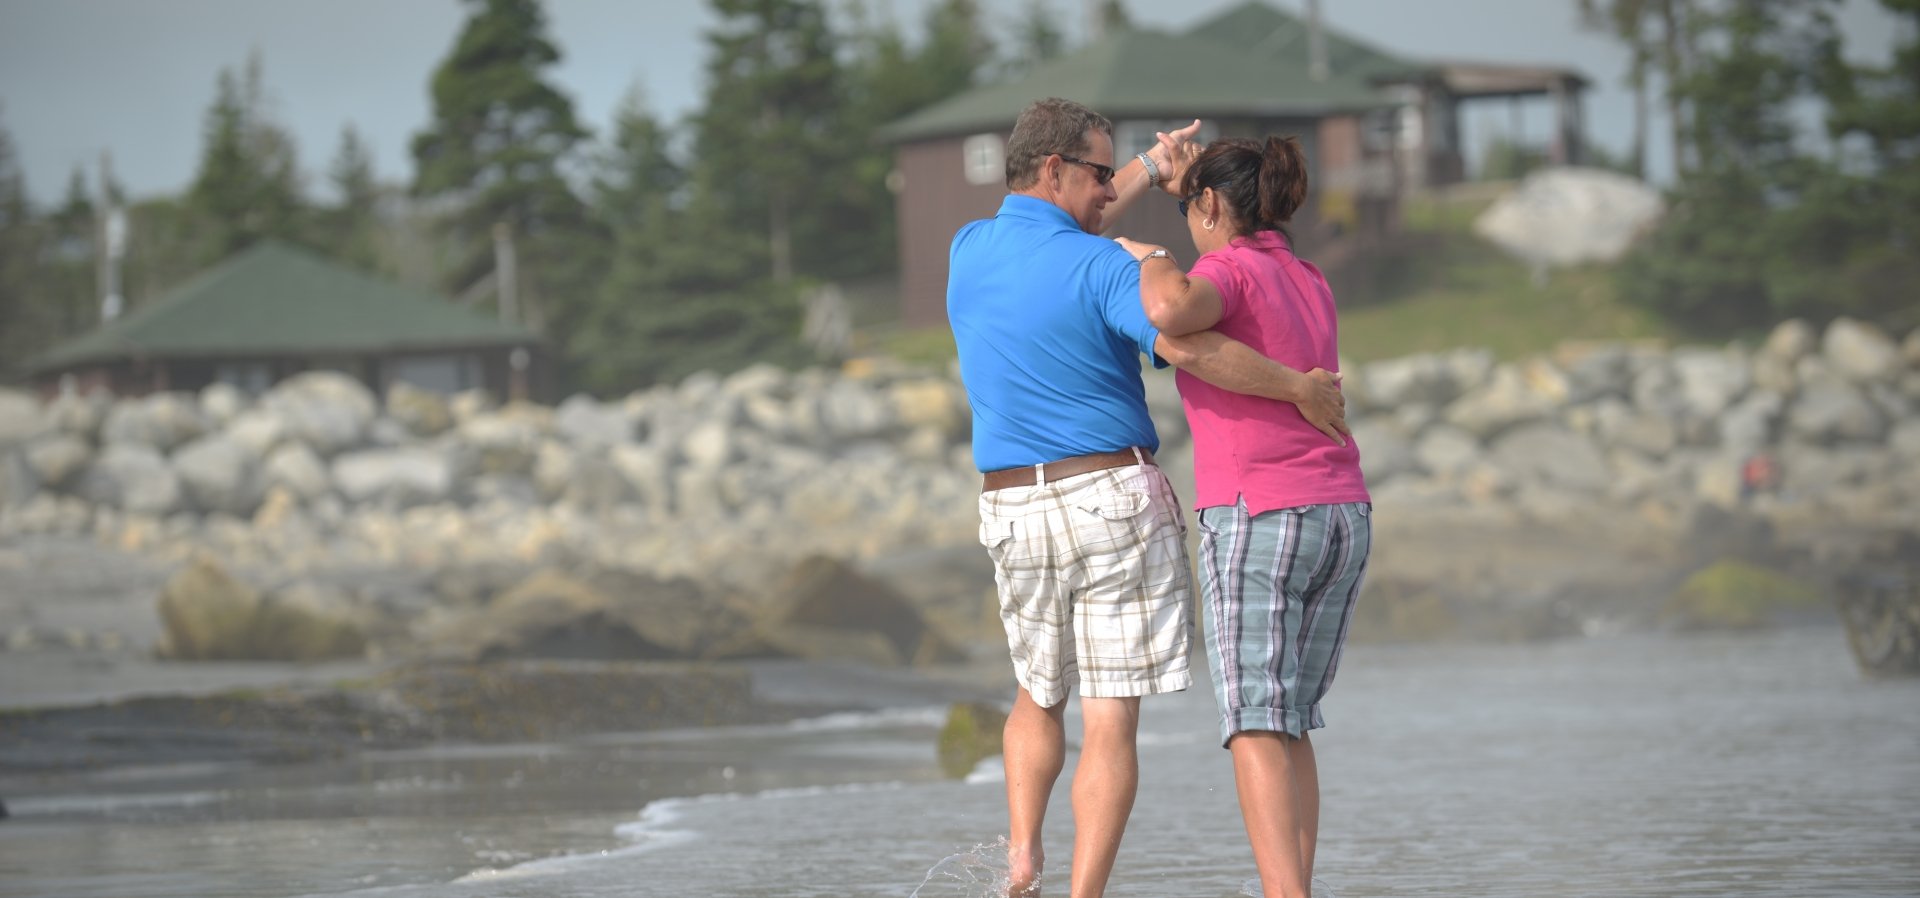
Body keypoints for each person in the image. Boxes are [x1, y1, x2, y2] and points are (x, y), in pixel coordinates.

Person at [947, 99, 1349, 898]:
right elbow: (1187, 345)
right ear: (1057, 168)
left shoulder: (969, 248)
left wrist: (1139, 169)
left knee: (1036, 693)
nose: (1111, 189)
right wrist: (1297, 388)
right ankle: (1082, 894)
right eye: (1101, 173)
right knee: (1109, 716)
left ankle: (1022, 854)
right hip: (1110, 495)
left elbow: (1062, 227)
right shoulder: (1106, 269)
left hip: (1010, 504)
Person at [1116, 136, 1373, 898]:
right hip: (1342, 514)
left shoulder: (1225, 267)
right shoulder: (1308, 274)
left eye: (1192, 210)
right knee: (1288, 720)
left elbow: (1169, 313)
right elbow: (1197, 347)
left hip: (1262, 513)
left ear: (1215, 206)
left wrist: (1151, 253)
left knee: (1254, 722)